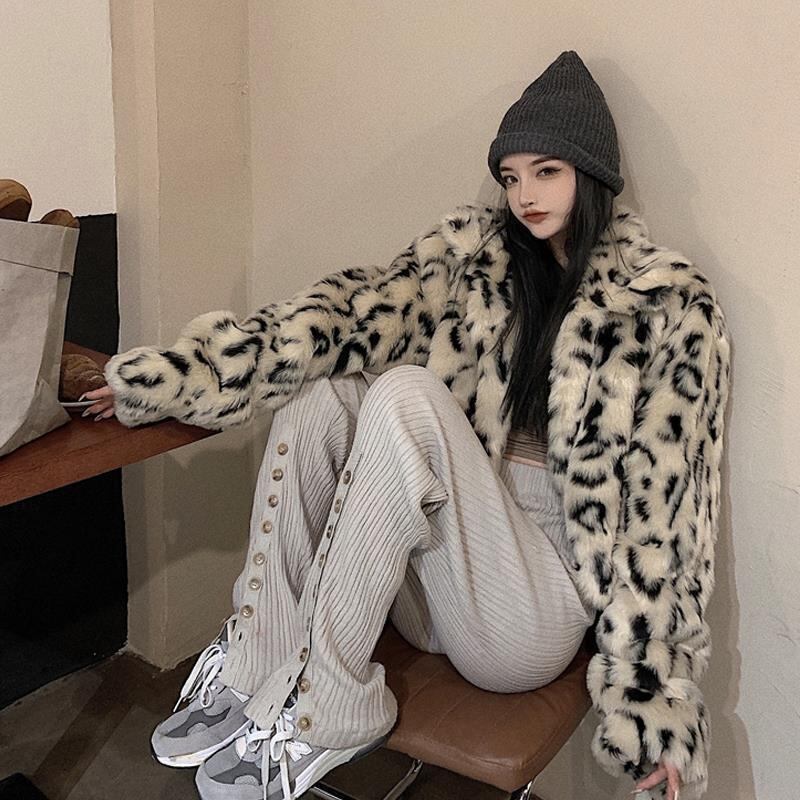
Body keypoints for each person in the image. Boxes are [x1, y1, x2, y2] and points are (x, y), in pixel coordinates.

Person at [84, 51, 730, 800]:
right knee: (325, 393)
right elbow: (338, 319)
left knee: (407, 394)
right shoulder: (476, 261)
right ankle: (258, 664)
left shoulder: (665, 305)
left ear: (592, 176)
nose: (524, 194)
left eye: (547, 171)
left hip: (532, 615)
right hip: (437, 587)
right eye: (511, 175)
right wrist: (174, 380)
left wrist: (656, 710)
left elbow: (668, 524)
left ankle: (331, 709)